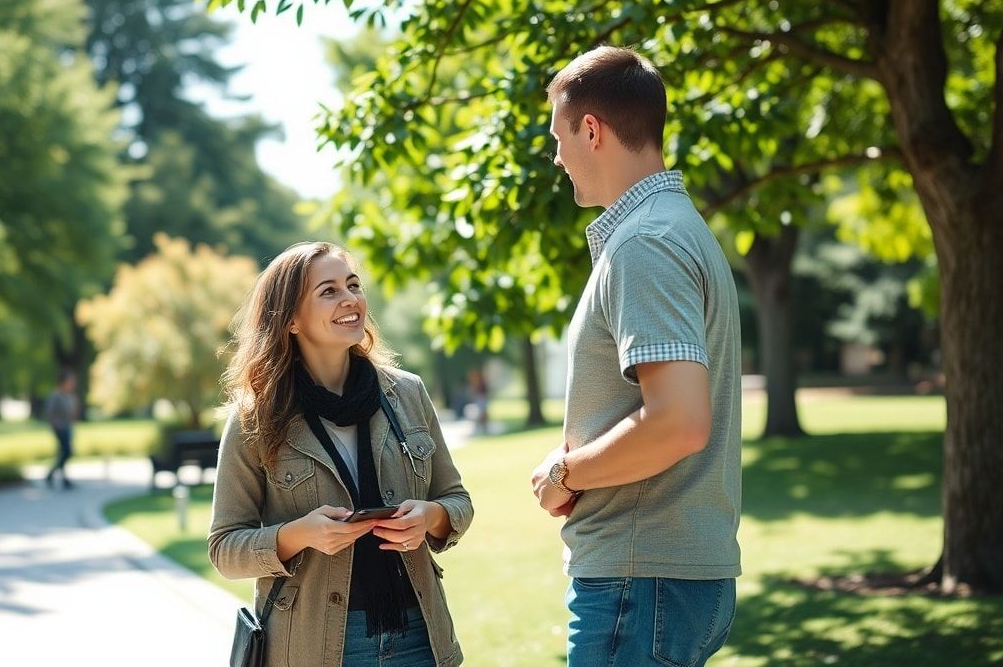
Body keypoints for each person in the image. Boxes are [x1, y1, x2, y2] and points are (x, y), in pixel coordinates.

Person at [529, 46, 742, 667]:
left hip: (640, 579)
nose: (557, 157)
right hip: (659, 581)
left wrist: (566, 474)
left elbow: (679, 423)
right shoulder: (671, 227)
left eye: (559, 138)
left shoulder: (645, 242)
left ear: (591, 130)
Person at [209, 241, 473, 667]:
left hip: (419, 636)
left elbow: (456, 499)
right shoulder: (254, 418)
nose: (350, 298)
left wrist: (430, 517)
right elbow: (224, 548)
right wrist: (300, 534)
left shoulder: (408, 393)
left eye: (353, 285)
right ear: (291, 319)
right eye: (328, 291)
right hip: (314, 647)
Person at [44, 371, 79, 489]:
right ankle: (52, 474)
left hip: (67, 427)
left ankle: (61, 478)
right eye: (70, 382)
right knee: (66, 452)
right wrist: (54, 426)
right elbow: (49, 413)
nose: (72, 384)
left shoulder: (69, 396)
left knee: (63, 453)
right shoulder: (55, 396)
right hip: (59, 428)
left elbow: (72, 413)